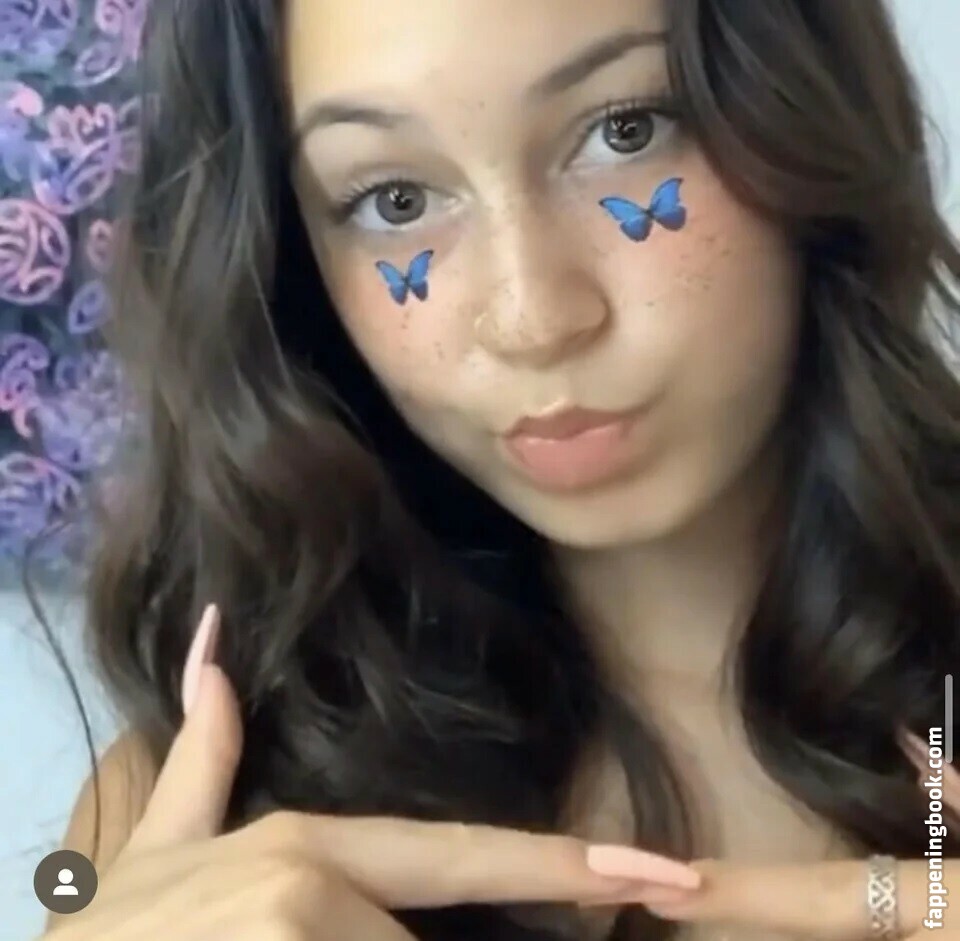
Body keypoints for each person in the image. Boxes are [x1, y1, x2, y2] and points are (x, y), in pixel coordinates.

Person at [41, 0, 960, 939]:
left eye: (624, 131)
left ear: (803, 109)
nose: (532, 318)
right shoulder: (180, 823)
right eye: (396, 201)